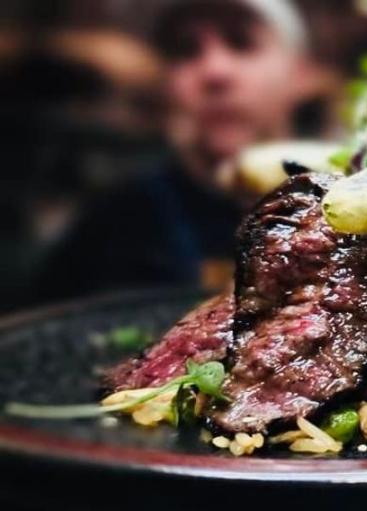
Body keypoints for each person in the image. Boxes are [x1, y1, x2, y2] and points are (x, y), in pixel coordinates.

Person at [37, 0, 325, 301]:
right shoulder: (116, 225)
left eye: (241, 43)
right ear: (164, 83)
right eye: (186, 51)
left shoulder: (340, 212)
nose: (215, 72)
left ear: (301, 73)